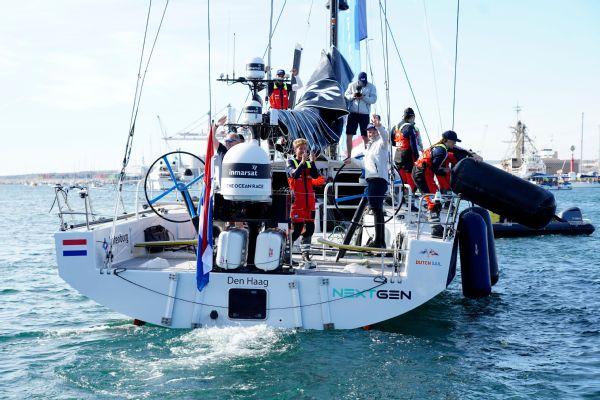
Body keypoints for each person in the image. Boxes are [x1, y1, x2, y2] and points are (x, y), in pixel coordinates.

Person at [412, 130, 481, 221]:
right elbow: (435, 168)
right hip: (422, 174)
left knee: (436, 197)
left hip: (421, 171)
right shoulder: (441, 151)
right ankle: (435, 225)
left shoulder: (440, 146)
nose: (454, 143)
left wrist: (471, 154)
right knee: (434, 200)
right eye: (453, 141)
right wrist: (447, 170)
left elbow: (456, 148)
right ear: (447, 140)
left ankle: (434, 215)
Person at [287, 139, 319, 262]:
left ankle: (305, 254)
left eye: (305, 149)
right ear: (295, 150)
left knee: (310, 228)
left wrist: (312, 162)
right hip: (297, 201)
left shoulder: (309, 163)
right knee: (297, 228)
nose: (303, 151)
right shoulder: (291, 161)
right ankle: (286, 253)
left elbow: (316, 176)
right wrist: (302, 163)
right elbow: (294, 175)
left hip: (309, 200)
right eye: (300, 148)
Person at [362, 118, 389, 248]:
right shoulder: (369, 146)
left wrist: (379, 126)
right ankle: (380, 241)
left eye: (373, 131)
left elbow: (385, 137)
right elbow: (365, 164)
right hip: (372, 180)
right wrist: (351, 161)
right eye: (369, 132)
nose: (371, 134)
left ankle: (379, 241)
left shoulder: (381, 144)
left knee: (377, 209)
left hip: (378, 179)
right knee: (376, 209)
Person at [344, 72, 377, 160]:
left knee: (365, 136)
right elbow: (346, 96)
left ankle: (368, 156)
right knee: (349, 134)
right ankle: (348, 156)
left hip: (364, 114)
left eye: (364, 81)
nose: (363, 83)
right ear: (358, 80)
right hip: (353, 113)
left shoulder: (371, 87)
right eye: (361, 82)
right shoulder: (352, 85)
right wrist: (353, 96)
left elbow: (373, 100)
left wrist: (363, 97)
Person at [391, 107, 419, 193]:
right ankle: (411, 198)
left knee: (401, 178)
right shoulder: (409, 127)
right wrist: (417, 158)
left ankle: (401, 196)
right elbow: (413, 144)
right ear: (412, 117)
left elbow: (392, 142)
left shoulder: (395, 127)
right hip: (407, 155)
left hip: (398, 154)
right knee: (411, 177)